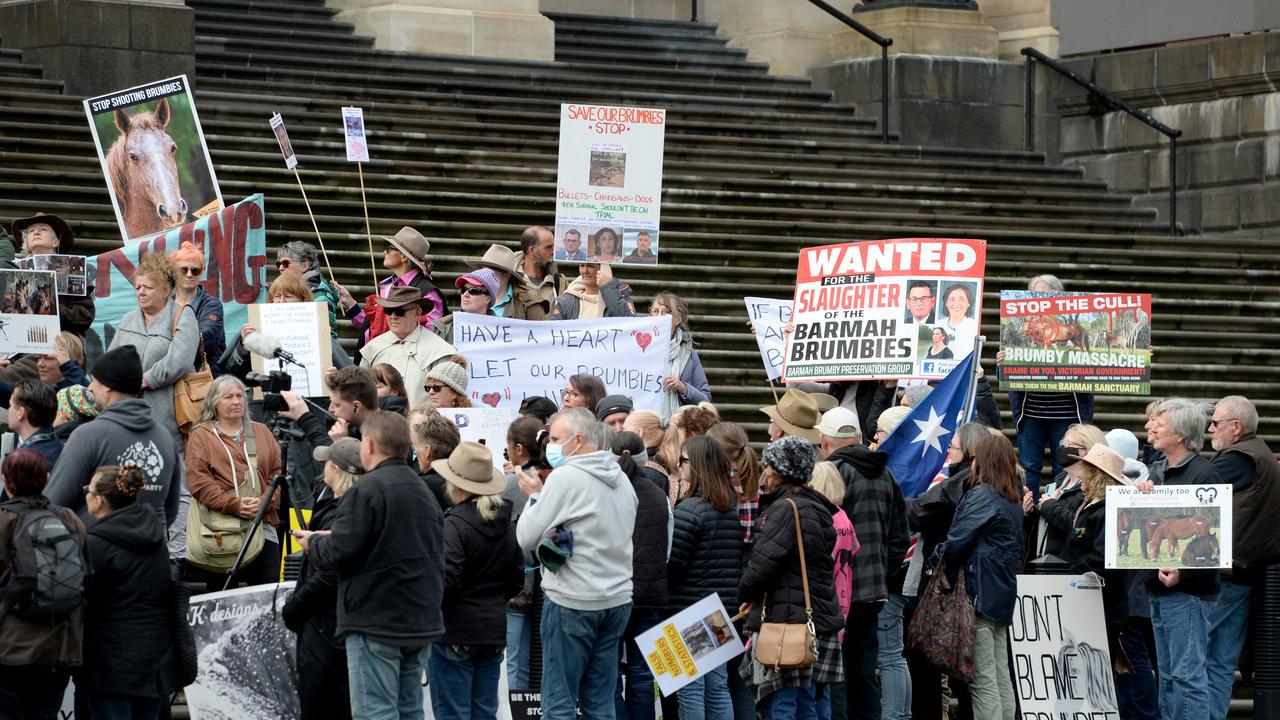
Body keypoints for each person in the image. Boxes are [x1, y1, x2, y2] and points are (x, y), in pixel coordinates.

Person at [295, 411, 446, 719]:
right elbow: (387, 540)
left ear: (371, 446)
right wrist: (329, 536)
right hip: (419, 619)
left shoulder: (368, 489)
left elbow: (340, 551)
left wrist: (314, 543)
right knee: (408, 709)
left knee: (375, 711)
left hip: (377, 621)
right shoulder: (422, 490)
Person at [514, 408, 638, 719]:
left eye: (555, 439)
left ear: (578, 440)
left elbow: (526, 537)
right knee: (599, 701)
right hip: (616, 599)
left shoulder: (566, 478)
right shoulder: (621, 479)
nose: (550, 446)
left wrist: (534, 497)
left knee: (559, 703)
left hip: (573, 601)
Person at [738, 436, 844, 718]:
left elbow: (762, 564)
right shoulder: (817, 506)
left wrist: (745, 594)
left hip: (788, 620)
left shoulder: (787, 508)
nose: (765, 472)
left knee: (781, 701)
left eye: (769, 466)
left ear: (783, 471)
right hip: (811, 620)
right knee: (806, 700)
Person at [817, 406, 909, 720]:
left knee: (837, 672)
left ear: (824, 442)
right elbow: (900, 535)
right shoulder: (886, 473)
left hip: (836, 593)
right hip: (874, 590)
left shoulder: (831, 474)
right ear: (858, 437)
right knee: (865, 671)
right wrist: (884, 572)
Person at [429, 442, 523, 720]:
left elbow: (447, 578)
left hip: (455, 629)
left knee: (454, 714)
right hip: (492, 629)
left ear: (456, 485)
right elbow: (516, 579)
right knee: (485, 712)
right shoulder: (506, 524)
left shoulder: (454, 524)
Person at [1145, 397, 1222, 720]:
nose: (1150, 429)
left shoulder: (1205, 476)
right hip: (1158, 589)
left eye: (1159, 425)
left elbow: (1214, 543)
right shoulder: (1157, 471)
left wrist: (1184, 576)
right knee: (1169, 677)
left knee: (1187, 677)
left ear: (1180, 435)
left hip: (1188, 594)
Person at [76, 464, 174, 718]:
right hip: (152, 662)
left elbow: (80, 597)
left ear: (98, 501)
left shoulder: (97, 543)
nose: (85, 493)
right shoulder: (156, 538)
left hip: (108, 666)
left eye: (89, 489)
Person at [939, 434, 1024, 720]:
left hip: (978, 596)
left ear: (983, 461)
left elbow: (956, 543)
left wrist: (938, 559)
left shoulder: (981, 496)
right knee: (1001, 678)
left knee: (983, 682)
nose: (970, 463)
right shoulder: (1012, 498)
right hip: (999, 597)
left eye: (974, 458)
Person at [1206, 395, 1280, 719]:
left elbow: (1193, 486)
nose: (1210, 428)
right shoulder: (1258, 452)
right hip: (1242, 574)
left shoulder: (1240, 458)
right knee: (1220, 662)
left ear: (1236, 427)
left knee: (1197, 656)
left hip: (1230, 576)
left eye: (1215, 423)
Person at [47, 346, 182, 525]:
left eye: (94, 381)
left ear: (108, 387)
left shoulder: (88, 436)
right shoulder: (165, 438)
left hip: (97, 547)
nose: (91, 388)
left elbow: (53, 502)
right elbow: (170, 511)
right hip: (153, 547)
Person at [0, 449, 87, 717]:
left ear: (5, 482)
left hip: (9, 647)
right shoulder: (69, 519)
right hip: (59, 647)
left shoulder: (3, 520)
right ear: (47, 479)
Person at [283, 438, 363, 720]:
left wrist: (294, 607)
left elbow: (328, 574)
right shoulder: (346, 506)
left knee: (323, 705)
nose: (323, 467)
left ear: (339, 471)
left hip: (326, 629)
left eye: (328, 462)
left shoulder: (341, 514)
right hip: (331, 626)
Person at [185, 375, 284, 592]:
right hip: (221, 531)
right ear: (214, 402)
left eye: (240, 396)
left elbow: (277, 474)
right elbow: (199, 481)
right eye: (228, 397)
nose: (236, 401)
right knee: (223, 601)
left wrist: (264, 502)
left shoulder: (262, 432)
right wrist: (233, 504)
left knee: (267, 596)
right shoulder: (202, 436)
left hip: (263, 524)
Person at [1001, 274, 1094, 498]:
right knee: (1029, 468)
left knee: (1066, 468)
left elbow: (1098, 372)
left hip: (1067, 414)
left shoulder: (1067, 323)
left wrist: (1139, 361)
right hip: (1031, 414)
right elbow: (1007, 376)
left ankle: (1061, 513)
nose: (1039, 299)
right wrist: (1003, 364)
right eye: (1035, 295)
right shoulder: (1026, 326)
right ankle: (1028, 518)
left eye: (1044, 294)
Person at [668, 436, 742, 720]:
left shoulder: (689, 510)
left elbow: (675, 564)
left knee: (691, 689)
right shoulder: (728, 508)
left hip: (689, 610)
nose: (679, 466)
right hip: (720, 610)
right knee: (717, 687)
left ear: (697, 465)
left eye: (684, 460)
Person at [108, 250, 201, 445]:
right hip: (126, 414)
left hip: (166, 418)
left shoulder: (183, 316)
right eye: (138, 287)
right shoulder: (128, 319)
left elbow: (180, 360)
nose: (141, 292)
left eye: (148, 287)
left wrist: (146, 380)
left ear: (166, 290)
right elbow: (111, 359)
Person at [1056, 444, 1131, 675]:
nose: (1080, 476)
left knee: (1097, 673)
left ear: (1096, 476)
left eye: (1086, 470)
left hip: (1101, 605)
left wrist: (1069, 578)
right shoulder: (1093, 506)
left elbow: (1102, 562)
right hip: (1087, 602)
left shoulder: (1111, 511)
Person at [612, 431, 671, 720]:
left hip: (613, 593)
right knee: (642, 673)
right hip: (651, 595)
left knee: (606, 673)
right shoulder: (660, 495)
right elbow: (667, 550)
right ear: (644, 458)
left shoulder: (605, 492)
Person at [221, 273, 353, 378]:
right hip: (265, 405)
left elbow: (349, 374)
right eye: (277, 296)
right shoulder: (254, 331)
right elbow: (230, 374)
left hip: (308, 405)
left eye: (288, 296)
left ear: (303, 301)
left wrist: (336, 377)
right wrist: (244, 347)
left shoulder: (318, 333)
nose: (281, 302)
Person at [359, 286, 457, 407]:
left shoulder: (440, 350)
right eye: (389, 311)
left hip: (425, 423)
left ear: (418, 313)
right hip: (380, 423)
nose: (393, 316)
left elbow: (448, 400)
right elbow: (361, 393)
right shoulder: (372, 348)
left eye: (400, 311)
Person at [10, 213, 95, 335]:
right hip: (22, 340)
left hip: (61, 339)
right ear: (27, 242)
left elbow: (85, 316)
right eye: (31, 231)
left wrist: (51, 308)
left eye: (43, 229)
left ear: (56, 242)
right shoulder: (13, 269)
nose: (36, 232)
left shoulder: (71, 270)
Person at [1035, 423, 1106, 558]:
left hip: (1069, 566)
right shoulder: (1060, 479)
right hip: (1046, 560)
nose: (1062, 446)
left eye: (1067, 443)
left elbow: (1081, 528)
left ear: (1085, 450)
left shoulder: (1095, 487)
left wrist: (1049, 506)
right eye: (1062, 442)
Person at [650, 292, 711, 418]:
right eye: (655, 311)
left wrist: (683, 388)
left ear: (678, 319)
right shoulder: (639, 348)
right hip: (646, 426)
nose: (659, 316)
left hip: (678, 428)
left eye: (666, 312)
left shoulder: (689, 354)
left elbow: (705, 400)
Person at [170, 240, 226, 375]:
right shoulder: (165, 304)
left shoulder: (213, 305)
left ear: (202, 271)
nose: (189, 274)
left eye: (195, 270)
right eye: (183, 270)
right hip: (170, 378)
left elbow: (206, 339)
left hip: (203, 381)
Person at [464, 243, 551, 320]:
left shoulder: (530, 305)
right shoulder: (471, 297)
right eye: (482, 270)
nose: (484, 275)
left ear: (506, 275)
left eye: (490, 271)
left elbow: (541, 335)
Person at [276, 240, 343, 336]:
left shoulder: (320, 296)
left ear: (304, 265)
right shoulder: (292, 291)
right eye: (279, 264)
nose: (280, 268)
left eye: (285, 263)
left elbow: (328, 339)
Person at [410, 405, 463, 511]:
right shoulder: (462, 480)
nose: (415, 451)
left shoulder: (419, 487)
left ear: (428, 452)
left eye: (416, 446)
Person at [7, 379, 64, 470]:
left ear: (20, 413)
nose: (9, 410)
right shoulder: (57, 446)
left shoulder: (29, 464)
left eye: (10, 405)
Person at [434, 267, 501, 343]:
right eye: (463, 289)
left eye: (473, 290)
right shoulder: (443, 326)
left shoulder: (502, 331)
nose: (465, 294)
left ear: (488, 299)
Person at [551, 262, 635, 319]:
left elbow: (630, 324)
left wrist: (608, 287)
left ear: (603, 269)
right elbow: (553, 331)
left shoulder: (620, 295)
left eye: (590, 266)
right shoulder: (566, 300)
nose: (585, 271)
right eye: (582, 265)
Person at [517, 226, 568, 310]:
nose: (553, 252)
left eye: (553, 247)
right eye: (549, 247)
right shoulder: (511, 280)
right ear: (532, 250)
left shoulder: (560, 282)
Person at [938, 283, 977, 354]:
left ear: (969, 303)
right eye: (952, 299)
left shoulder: (975, 326)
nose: (956, 304)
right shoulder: (937, 324)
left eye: (961, 299)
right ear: (946, 303)